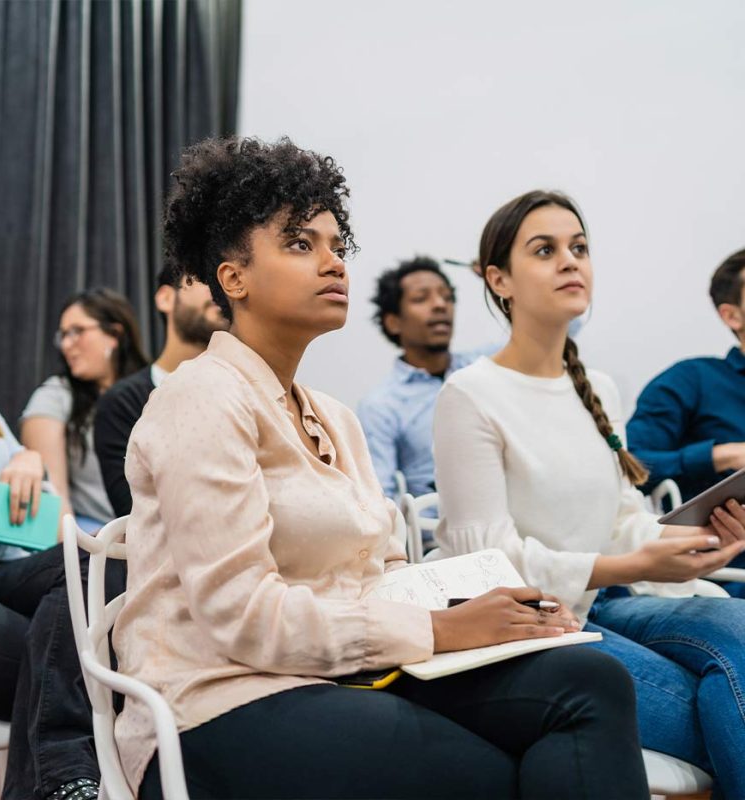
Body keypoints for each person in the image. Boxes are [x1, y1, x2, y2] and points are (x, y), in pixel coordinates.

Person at [112, 137, 649, 800]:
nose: (334, 263)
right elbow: (242, 616)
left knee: (593, 681)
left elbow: (384, 571)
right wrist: (437, 628)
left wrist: (481, 607)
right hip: (219, 699)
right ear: (234, 278)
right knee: (497, 776)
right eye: (301, 244)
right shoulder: (201, 398)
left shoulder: (334, 417)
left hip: (352, 673)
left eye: (337, 245)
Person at [433, 189, 745, 798]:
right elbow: (488, 561)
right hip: (533, 624)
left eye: (579, 247)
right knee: (721, 698)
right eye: (545, 250)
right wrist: (633, 562)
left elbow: (625, 519)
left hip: (607, 601)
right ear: (499, 280)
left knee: (736, 622)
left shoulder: (595, 386)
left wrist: (700, 538)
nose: (571, 261)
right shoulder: (469, 396)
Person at [0, 351, 103, 800]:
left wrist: (29, 460)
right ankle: (64, 776)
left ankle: (55, 776)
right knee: (80, 665)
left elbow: (13, 450)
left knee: (99, 563)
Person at [94, 262, 228, 517]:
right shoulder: (123, 403)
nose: (221, 289)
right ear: (166, 298)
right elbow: (136, 514)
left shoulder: (249, 392)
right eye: (205, 277)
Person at [358, 257, 489, 501]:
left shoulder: (483, 367)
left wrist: (504, 276)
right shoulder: (380, 407)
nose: (440, 305)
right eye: (421, 298)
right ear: (393, 322)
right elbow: (381, 502)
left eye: (447, 297)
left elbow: (563, 326)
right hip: (434, 535)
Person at [21, 289, 149, 531]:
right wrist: (81, 559)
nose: (67, 344)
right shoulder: (54, 396)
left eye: (77, 331)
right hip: (95, 543)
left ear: (114, 334)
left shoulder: (151, 389)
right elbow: (55, 500)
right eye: (63, 335)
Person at [627, 248, 745, 502]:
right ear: (732, 315)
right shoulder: (691, 380)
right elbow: (627, 464)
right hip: (722, 539)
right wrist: (723, 456)